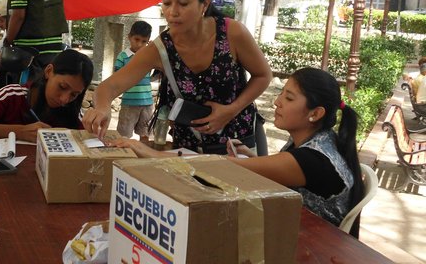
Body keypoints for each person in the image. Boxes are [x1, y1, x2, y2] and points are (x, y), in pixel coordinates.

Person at [110, 68, 364, 236]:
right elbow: (287, 174)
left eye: (288, 98)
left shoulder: (312, 159)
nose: (277, 102)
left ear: (315, 113)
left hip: (316, 245)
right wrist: (252, 158)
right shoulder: (319, 141)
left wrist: (152, 154)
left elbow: (218, 166)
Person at [83, 0, 272, 153]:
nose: (173, 11)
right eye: (166, 3)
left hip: (238, 147)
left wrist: (232, 110)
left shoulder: (232, 32)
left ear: (204, 4)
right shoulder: (160, 48)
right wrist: (102, 108)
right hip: (188, 151)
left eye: (183, 3)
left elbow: (263, 75)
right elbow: (109, 87)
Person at [0, 49, 93, 142]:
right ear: (48, 71)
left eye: (74, 95)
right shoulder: (12, 95)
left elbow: (86, 140)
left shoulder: (73, 111)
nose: (65, 99)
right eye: (62, 87)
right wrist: (19, 132)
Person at [114, 20, 154, 141]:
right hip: (129, 102)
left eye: (144, 41)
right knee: (124, 134)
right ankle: (125, 156)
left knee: (145, 133)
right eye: (137, 39)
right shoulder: (123, 56)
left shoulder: (149, 55)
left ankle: (143, 156)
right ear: (129, 37)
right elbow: (117, 76)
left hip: (147, 102)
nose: (140, 44)